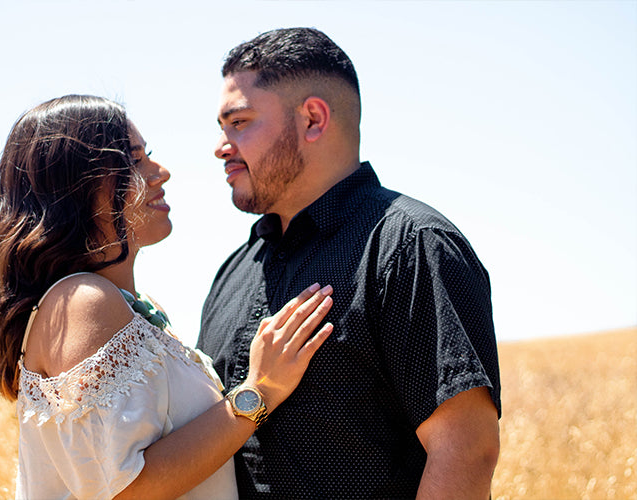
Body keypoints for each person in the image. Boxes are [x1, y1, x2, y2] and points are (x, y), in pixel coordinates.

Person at [0, 94, 335, 500]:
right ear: (77, 186)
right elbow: (125, 489)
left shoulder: (127, 306)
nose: (160, 172)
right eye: (135, 160)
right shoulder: (82, 302)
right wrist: (259, 391)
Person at [197, 28, 502, 499]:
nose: (221, 146)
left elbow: (465, 451)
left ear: (313, 119)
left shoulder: (412, 245)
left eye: (239, 122)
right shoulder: (232, 272)